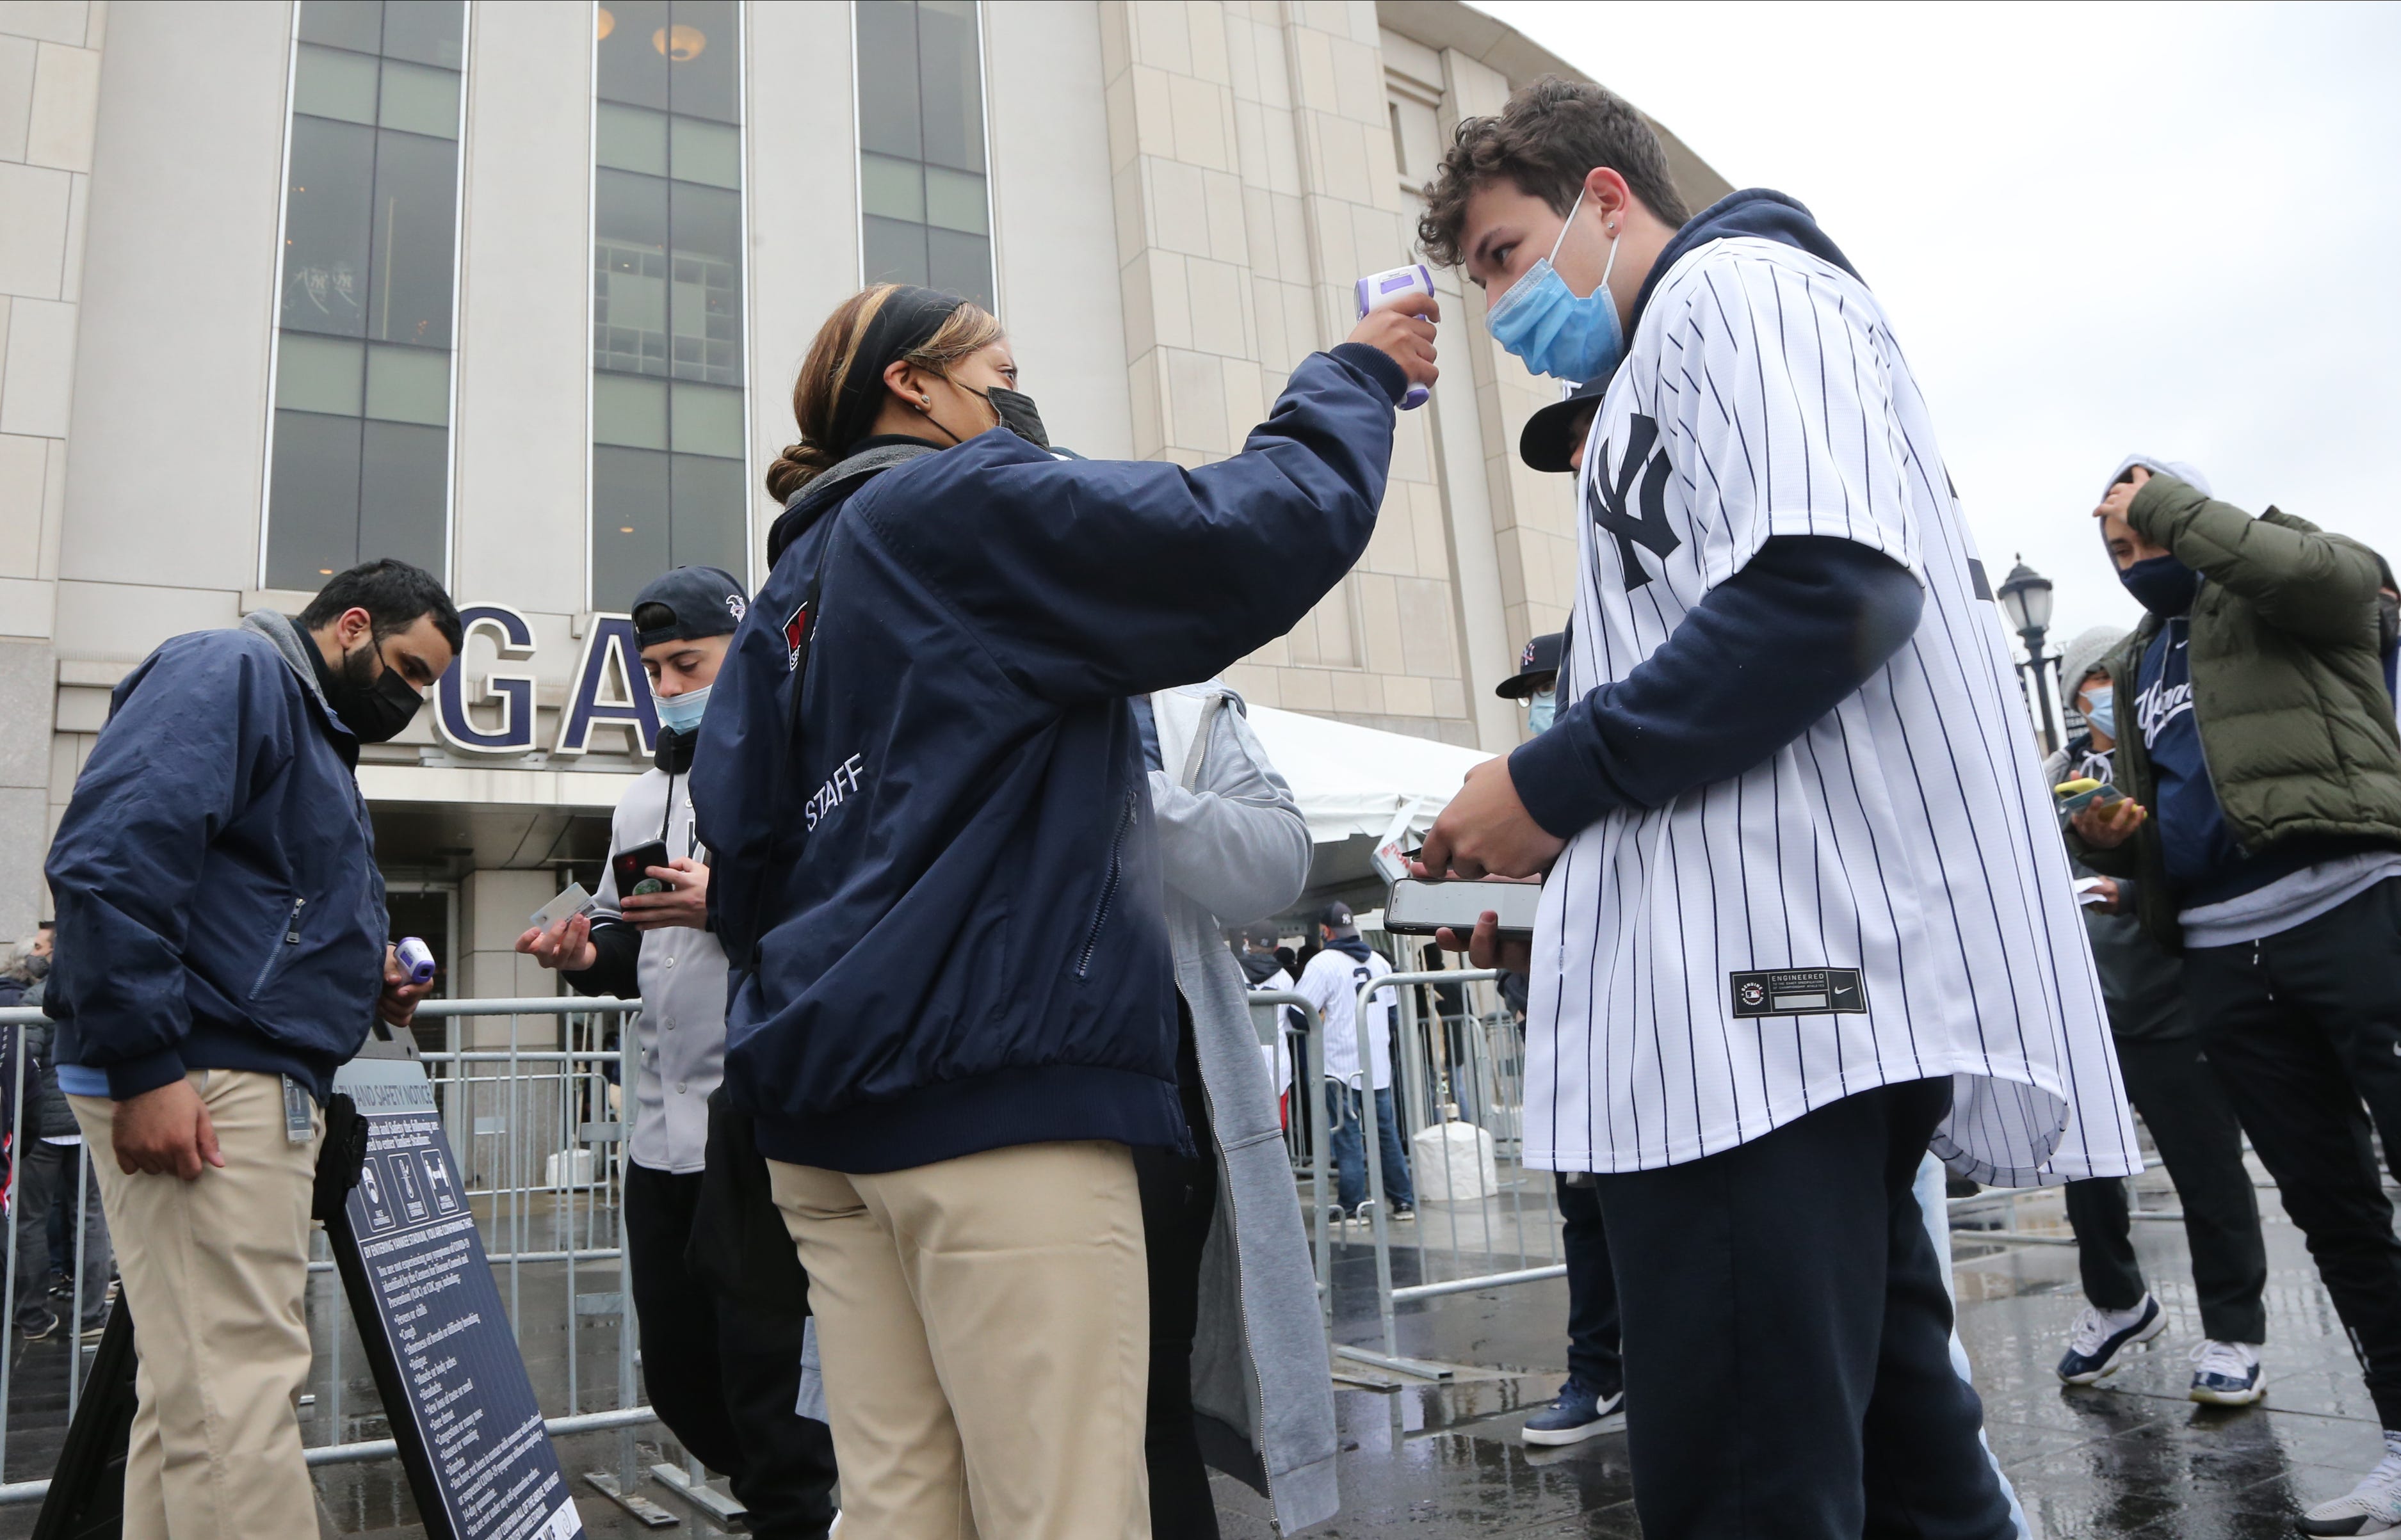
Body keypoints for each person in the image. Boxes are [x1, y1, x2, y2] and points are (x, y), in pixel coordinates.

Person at [1411, 77, 2138, 1539]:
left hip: (1762, 994)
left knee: (1748, 1477)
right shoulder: (1661, 353)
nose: (1496, 304)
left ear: (1605, 197)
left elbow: (1826, 585)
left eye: (1501, 253)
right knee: (1897, 1457)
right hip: (1757, 997)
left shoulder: (1731, 285)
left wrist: (1546, 782)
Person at [691, 280, 1432, 1537]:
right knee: (1065, 1508)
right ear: (911, 386)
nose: (1016, 401)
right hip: (993, 1099)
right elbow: (1241, 530)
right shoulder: (950, 508)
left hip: (821, 1117)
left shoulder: (790, 600)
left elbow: (746, 861)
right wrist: (1354, 375)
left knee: (899, 1507)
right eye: (1000, 371)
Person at [44, 559, 450, 1538]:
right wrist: (145, 1065)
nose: (416, 698)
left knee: (196, 1400)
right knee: (238, 1391)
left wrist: (368, 983)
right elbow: (113, 859)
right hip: (206, 1072)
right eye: (412, 669)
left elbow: (256, 908)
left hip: (216, 1066)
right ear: (351, 624)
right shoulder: (231, 671)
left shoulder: (290, 712)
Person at [2065, 455, 2401, 1535]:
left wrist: (2175, 510)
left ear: (2198, 511)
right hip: (2223, 952)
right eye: (2116, 546)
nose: (2135, 556)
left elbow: (2345, 584)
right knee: (2333, 1207)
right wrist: (2122, 836)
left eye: (2149, 527)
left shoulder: (2282, 581)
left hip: (2353, 905)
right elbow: (2202, 811)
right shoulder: (2131, 661)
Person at [517, 565, 837, 1538]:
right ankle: (784, 1502)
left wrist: (726, 900)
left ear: (740, 653)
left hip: (753, 1128)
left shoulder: (800, 762)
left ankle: (800, 1511)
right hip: (656, 1135)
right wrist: (583, 952)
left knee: (770, 1381)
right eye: (652, 667)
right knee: (681, 1378)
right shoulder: (633, 800)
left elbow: (839, 915)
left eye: (684, 662)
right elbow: (635, 945)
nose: (667, 684)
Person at [2041, 622, 2270, 1403]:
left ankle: (2235, 1331)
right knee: (2086, 1173)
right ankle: (2118, 1302)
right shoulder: (2054, 775)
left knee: (2208, 1173)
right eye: (2083, 685)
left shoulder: (2174, 763)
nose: (2097, 696)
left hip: (2175, 1001)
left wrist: (2129, 887)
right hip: (2088, 1011)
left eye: (2109, 678)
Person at [1131, 682, 1337, 1537]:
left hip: (1148, 1108)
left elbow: (1274, 861)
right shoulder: (925, 664)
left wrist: (1130, 791)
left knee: (1147, 1398)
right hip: (970, 1109)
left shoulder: (1177, 713)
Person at [14, 928, 113, 1342]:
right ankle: (90, 1314)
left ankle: (33, 1315)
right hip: (87, 1119)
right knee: (91, 1218)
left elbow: (25, 1066)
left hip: (44, 1129)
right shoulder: (98, 992)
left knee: (30, 1220)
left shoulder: (36, 999)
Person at [1297, 902, 1415, 1223]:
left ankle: (1352, 1205)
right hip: (1376, 1061)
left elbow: (1298, 1012)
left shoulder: (1323, 963)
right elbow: (1391, 1014)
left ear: (1325, 931)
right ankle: (1403, 1201)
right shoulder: (1379, 961)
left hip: (1339, 1064)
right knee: (1386, 1134)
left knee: (1347, 1135)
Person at [1233, 920, 1299, 1116]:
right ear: (1276, 948)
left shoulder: (1232, 971)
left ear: (1247, 943)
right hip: (1276, 1065)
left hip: (1240, 1062)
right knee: (1277, 1133)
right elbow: (1289, 1023)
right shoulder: (1285, 978)